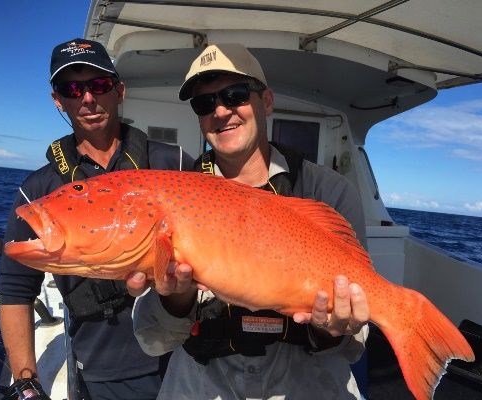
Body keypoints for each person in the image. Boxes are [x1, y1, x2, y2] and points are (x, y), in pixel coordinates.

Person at [128, 43, 371, 399]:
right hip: (202, 381)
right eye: (204, 103)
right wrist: (174, 301)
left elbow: (353, 344)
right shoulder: (174, 194)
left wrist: (330, 329)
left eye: (236, 94)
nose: (221, 111)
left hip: (306, 381)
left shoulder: (327, 190)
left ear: (267, 101)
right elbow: (152, 341)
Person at [0, 38, 193, 400]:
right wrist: (26, 380)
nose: (87, 98)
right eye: (73, 89)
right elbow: (15, 290)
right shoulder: (38, 189)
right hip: (104, 371)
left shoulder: (175, 163)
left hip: (185, 356)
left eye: (99, 85)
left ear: (119, 91)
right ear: (58, 99)